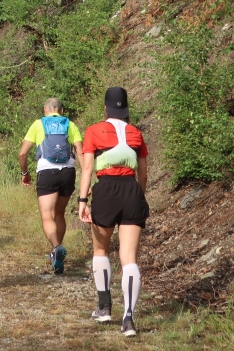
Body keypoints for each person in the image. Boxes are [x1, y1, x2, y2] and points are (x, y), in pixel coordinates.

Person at [78, 87, 149, 338]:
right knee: (129, 258)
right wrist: (139, 195)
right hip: (132, 190)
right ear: (126, 109)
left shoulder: (94, 130)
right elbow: (143, 173)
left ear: (105, 108)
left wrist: (82, 200)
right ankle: (128, 319)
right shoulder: (136, 133)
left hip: (106, 189)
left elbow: (87, 168)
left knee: (101, 250)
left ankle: (104, 307)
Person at [18, 97, 84, 274]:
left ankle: (56, 247)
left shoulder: (38, 124)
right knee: (59, 213)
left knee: (47, 215)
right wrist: (86, 179)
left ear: (45, 110)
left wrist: (25, 173)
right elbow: (80, 152)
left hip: (47, 172)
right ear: (61, 111)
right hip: (68, 172)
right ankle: (57, 253)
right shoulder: (70, 125)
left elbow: (22, 154)